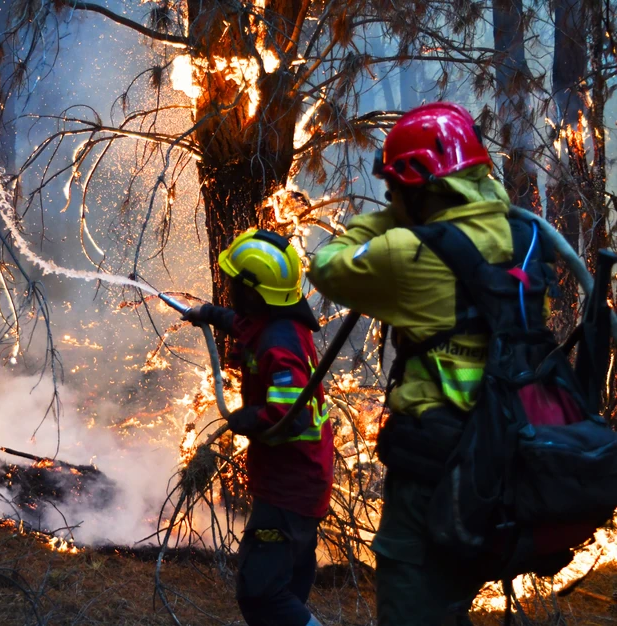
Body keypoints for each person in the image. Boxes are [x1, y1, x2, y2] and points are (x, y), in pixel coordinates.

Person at [305, 101, 530, 625]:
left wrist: (394, 218)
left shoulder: (409, 250)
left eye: (395, 187)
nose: (389, 196)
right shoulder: (523, 236)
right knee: (452, 603)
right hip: (505, 458)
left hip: (433, 466)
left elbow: (326, 266)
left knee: (412, 603)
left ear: (418, 186)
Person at [183, 228, 332, 626]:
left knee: (261, 594)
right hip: (302, 484)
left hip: (289, 490)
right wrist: (210, 314)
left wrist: (253, 418)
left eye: (235, 283)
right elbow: (244, 324)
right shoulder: (276, 323)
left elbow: (291, 415)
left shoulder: (279, 344)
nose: (230, 289)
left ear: (252, 291)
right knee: (286, 592)